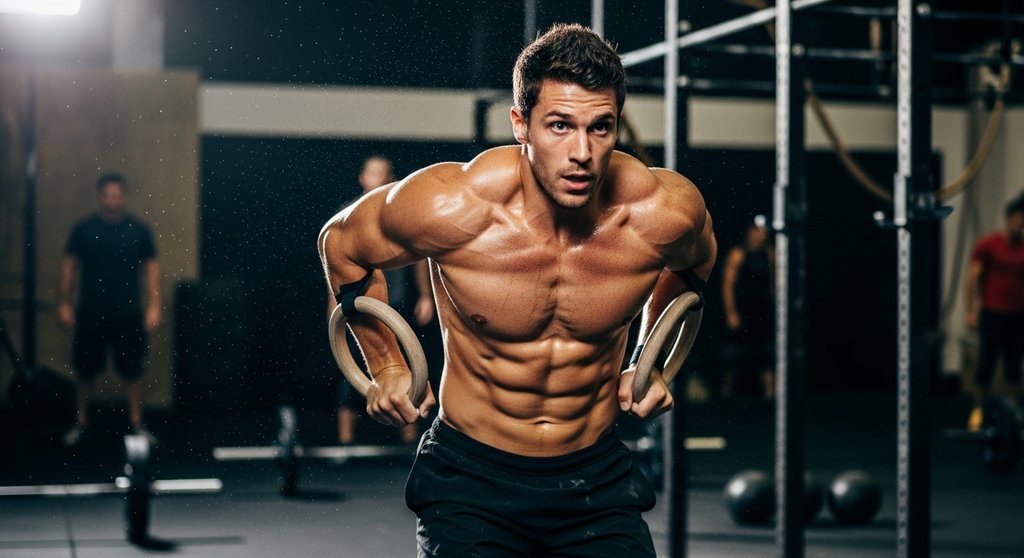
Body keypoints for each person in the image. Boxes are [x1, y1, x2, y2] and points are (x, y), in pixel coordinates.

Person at [318, 24, 716, 557]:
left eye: (601, 128)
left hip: (594, 479)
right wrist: (388, 365)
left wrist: (652, 360)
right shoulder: (453, 208)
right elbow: (341, 243)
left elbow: (695, 265)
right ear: (520, 124)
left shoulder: (660, 214)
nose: (582, 152)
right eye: (559, 126)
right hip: (471, 478)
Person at [332, 156, 434, 446]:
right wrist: (335, 309)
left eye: (384, 173)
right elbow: (335, 267)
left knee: (412, 368)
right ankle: (346, 443)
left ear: (391, 179)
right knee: (352, 373)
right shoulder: (346, 216)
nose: (378, 178)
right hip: (359, 303)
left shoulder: (403, 215)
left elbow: (420, 258)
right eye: (373, 173)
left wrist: (426, 296)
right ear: (363, 178)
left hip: (397, 304)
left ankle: (412, 439)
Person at [58, 173, 161, 446]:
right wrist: (65, 303)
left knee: (133, 371)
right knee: (85, 371)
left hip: (128, 312)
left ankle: (136, 424)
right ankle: (81, 423)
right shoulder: (84, 229)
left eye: (117, 195)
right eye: (107, 195)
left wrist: (154, 305)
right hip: (91, 311)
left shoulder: (139, 230)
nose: (112, 200)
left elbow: (150, 268)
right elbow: (69, 265)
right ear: (100, 196)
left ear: (124, 197)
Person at [963, 192, 1024, 431]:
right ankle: (977, 415)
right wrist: (969, 311)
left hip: (1018, 315)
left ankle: (1015, 418)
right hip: (992, 314)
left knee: (1013, 367)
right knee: (985, 365)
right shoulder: (988, 245)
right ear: (1008, 219)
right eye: (1017, 219)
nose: (1020, 224)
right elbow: (972, 279)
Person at [720, 215, 775, 401]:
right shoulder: (738, 254)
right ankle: (726, 395)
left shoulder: (770, 253)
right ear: (750, 232)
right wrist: (731, 313)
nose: (762, 235)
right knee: (736, 354)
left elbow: (774, 283)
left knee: (766, 354)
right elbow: (728, 285)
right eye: (758, 231)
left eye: (764, 231)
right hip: (743, 312)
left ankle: (770, 395)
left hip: (763, 312)